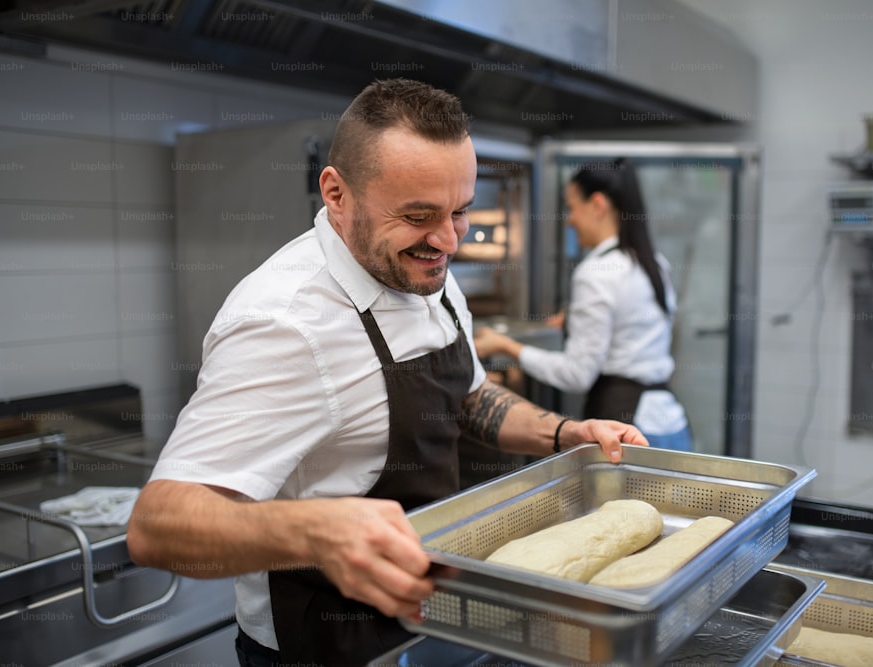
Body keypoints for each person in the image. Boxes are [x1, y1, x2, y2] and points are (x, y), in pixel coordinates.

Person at [126, 79, 648, 667]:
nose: (448, 241)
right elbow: (158, 525)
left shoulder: (428, 270)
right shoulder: (286, 323)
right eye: (419, 215)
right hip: (327, 646)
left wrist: (564, 433)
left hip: (431, 618)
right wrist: (317, 534)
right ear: (336, 194)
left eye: (460, 212)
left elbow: (470, 396)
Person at [474, 158, 692, 451]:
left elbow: (576, 375)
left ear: (598, 204)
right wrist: (576, 317)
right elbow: (634, 321)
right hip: (670, 424)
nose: (570, 219)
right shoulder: (653, 262)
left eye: (572, 207)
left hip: (627, 429)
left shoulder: (595, 273)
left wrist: (506, 345)